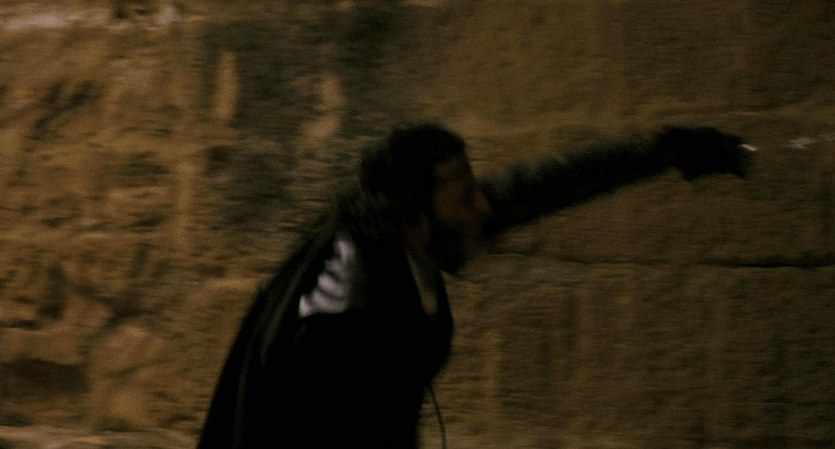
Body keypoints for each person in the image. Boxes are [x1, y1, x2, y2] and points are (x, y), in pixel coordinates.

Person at [197, 123, 753, 449]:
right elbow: (307, 392)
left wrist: (662, 152)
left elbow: (542, 185)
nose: (482, 205)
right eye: (465, 194)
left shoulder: (422, 235)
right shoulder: (348, 273)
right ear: (414, 210)